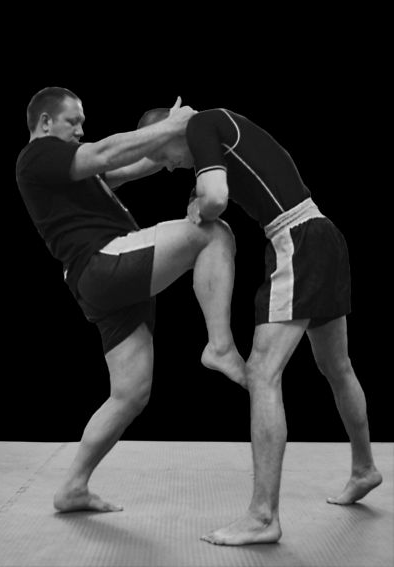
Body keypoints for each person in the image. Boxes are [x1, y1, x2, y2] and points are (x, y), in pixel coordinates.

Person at [138, 106, 383, 545]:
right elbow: (224, 182)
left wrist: (201, 207)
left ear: (168, 132)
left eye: (162, 157)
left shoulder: (200, 125)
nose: (169, 167)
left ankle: (262, 516)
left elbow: (216, 199)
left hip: (297, 242)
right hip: (324, 232)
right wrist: (197, 198)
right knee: (338, 367)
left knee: (262, 374)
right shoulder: (219, 125)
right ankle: (364, 468)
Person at [16, 88, 245, 514]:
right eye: (73, 122)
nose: (81, 131)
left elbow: (134, 162)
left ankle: (73, 487)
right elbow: (105, 152)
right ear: (45, 123)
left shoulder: (71, 175)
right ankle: (219, 346)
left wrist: (168, 141)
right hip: (104, 263)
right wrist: (171, 127)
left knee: (130, 393)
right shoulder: (38, 156)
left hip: (101, 285)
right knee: (214, 234)